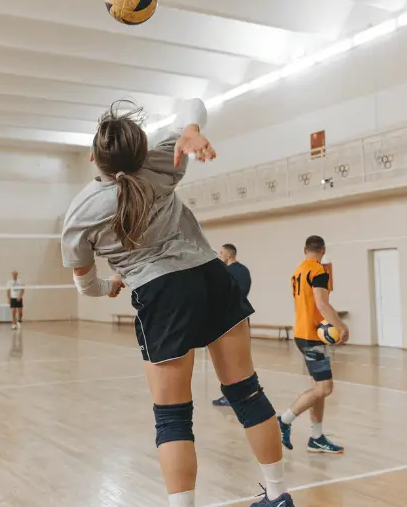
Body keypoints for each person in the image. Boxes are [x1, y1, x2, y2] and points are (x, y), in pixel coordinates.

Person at [61, 99, 294, 507]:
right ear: (140, 148)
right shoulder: (162, 159)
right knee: (248, 394)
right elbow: (195, 103)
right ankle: (277, 496)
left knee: (173, 417)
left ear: (93, 157)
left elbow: (86, 285)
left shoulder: (81, 212)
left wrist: (110, 286)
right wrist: (190, 127)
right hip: (211, 276)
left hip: (162, 295)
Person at [277, 235, 349, 455]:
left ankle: (316, 437)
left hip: (304, 332)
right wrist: (341, 327)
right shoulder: (318, 271)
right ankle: (285, 420)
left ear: (304, 249)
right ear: (323, 250)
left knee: (320, 388)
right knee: (325, 388)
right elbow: (321, 303)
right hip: (310, 336)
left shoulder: (298, 270)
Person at [212, 244, 252, 408]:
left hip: (233, 321)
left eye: (222, 252)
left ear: (229, 254)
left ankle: (237, 396)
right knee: (232, 361)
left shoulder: (236, 271)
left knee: (233, 361)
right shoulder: (232, 270)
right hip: (231, 320)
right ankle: (235, 394)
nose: (220, 255)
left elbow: (236, 294)